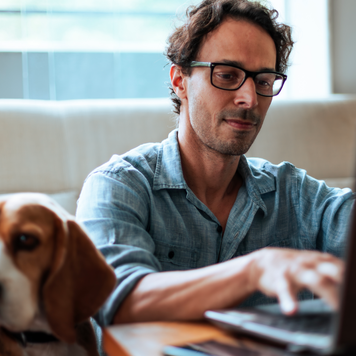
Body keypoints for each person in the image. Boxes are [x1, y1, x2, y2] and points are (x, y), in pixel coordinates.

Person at [77, 0, 354, 330]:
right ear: (180, 80)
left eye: (264, 81)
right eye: (227, 75)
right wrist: (256, 270)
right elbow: (118, 301)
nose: (249, 99)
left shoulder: (293, 194)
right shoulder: (120, 186)